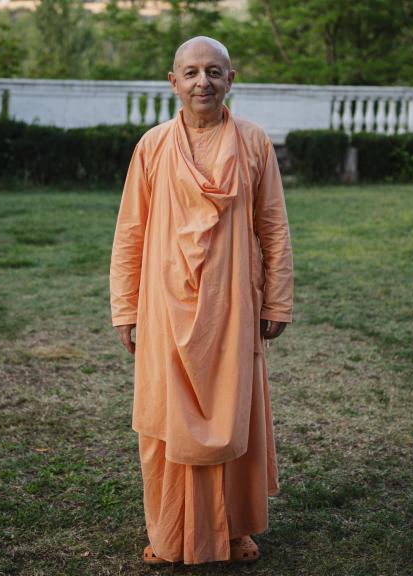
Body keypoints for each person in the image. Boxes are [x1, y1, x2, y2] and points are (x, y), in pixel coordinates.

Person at [109, 35, 294, 566]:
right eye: (191, 72)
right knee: (166, 422)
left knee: (234, 416)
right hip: (164, 307)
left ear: (230, 81)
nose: (202, 82)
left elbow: (274, 227)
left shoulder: (255, 143)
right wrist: (125, 306)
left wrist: (277, 300)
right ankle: (171, 536)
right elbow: (130, 233)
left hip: (234, 307)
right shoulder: (152, 146)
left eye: (214, 72)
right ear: (173, 82)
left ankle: (233, 529)